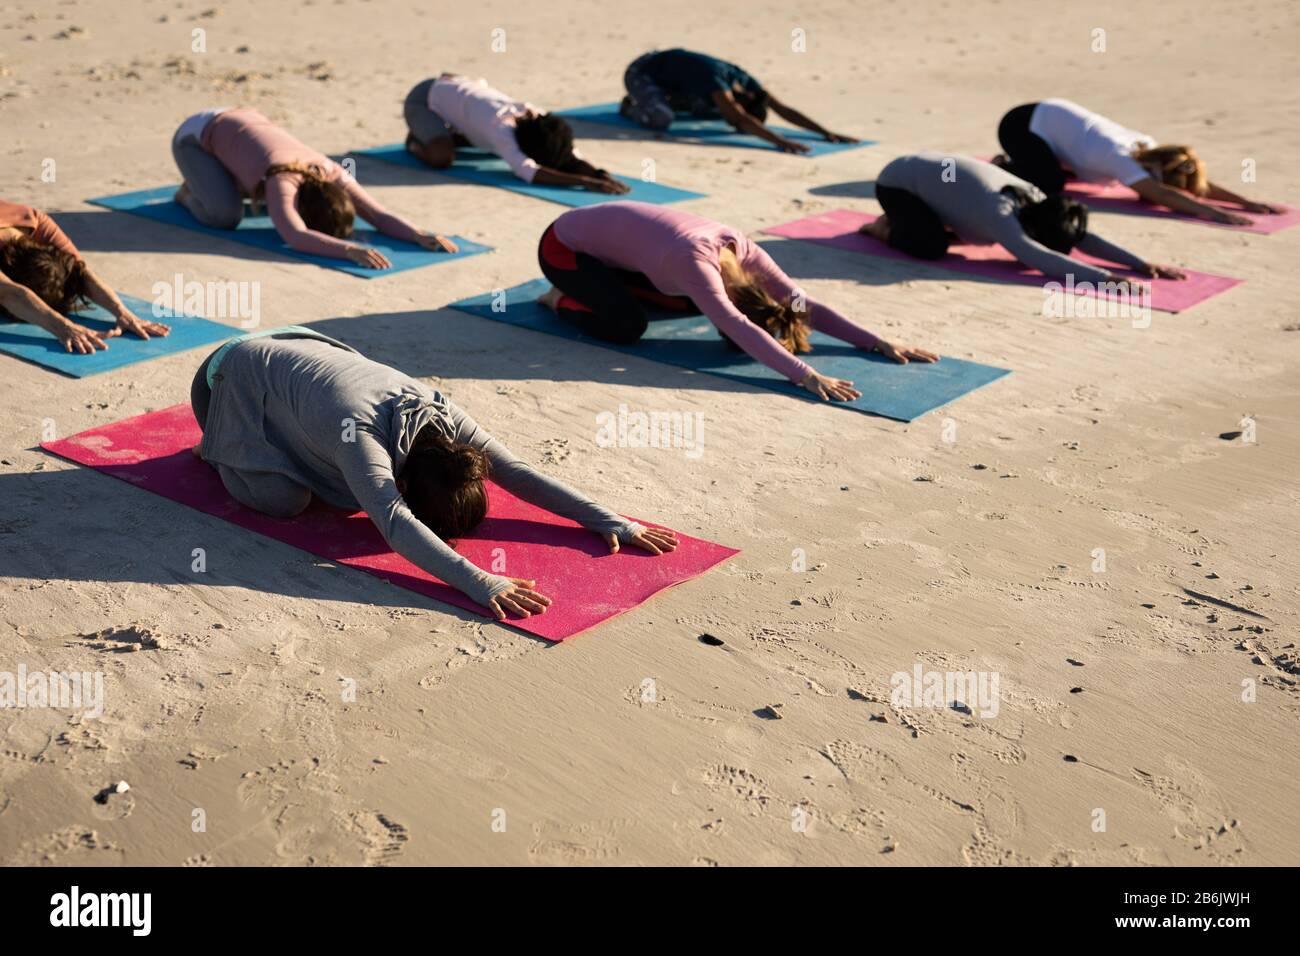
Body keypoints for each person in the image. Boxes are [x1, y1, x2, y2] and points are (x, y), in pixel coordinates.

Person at [189, 327, 678, 619]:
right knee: (286, 502)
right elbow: (396, 523)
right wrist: (480, 582)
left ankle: (282, 435)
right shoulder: (360, 437)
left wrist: (611, 520)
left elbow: (518, 471)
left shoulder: (446, 424)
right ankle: (218, 449)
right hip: (224, 378)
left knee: (335, 483)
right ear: (402, 483)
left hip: (292, 344)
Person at [535, 201, 936, 403]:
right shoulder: (695, 265)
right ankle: (559, 299)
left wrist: (876, 341)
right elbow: (738, 325)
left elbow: (801, 303)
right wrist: (805, 375)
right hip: (563, 247)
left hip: (621, 252)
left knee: (690, 302)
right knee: (627, 327)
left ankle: (607, 287)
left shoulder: (745, 253)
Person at [171, 108, 458, 269]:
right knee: (225, 216)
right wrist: (348, 250)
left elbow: (378, 215)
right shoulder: (282, 180)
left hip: (242, 123)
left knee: (247, 184)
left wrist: (419, 234)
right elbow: (296, 235)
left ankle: (222, 178)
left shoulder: (333, 173)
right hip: (195, 137)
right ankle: (188, 193)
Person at [860, 153, 1188, 287]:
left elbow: (1080, 237)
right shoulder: (999, 216)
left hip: (930, 176)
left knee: (960, 230)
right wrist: (1108, 279)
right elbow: (1039, 258)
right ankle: (882, 226)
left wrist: (1140, 264)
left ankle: (920, 218)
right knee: (931, 247)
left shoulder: (1038, 198)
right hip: (895, 183)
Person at [994, 99, 1285, 226]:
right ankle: (1002, 165)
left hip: (1046, 119)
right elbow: (1160, 194)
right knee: (1050, 183)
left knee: (1061, 174)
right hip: (1020, 126)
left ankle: (1026, 161)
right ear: (1156, 172)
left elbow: (1194, 184)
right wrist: (1216, 214)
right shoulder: (1120, 156)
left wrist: (1245, 202)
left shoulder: (1151, 149)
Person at [404, 74, 629, 194]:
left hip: (457, 87)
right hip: (424, 98)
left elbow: (570, 155)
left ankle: (448, 134)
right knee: (441, 157)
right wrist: (584, 182)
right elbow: (528, 172)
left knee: (480, 141)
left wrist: (599, 174)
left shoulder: (540, 118)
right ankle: (416, 141)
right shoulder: (500, 128)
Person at [0, 199, 169, 354]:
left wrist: (123, 313)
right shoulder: (30, 219)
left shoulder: (34, 220)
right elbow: (10, 293)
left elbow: (79, 271)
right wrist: (64, 327)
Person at [619, 48, 858, 153]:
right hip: (642, 71)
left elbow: (784, 110)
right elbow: (740, 118)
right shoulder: (717, 82)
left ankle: (672, 98)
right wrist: (782, 142)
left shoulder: (747, 84)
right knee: (662, 118)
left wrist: (825, 132)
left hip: (675, 78)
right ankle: (630, 107)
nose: (733, 124)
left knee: (712, 110)